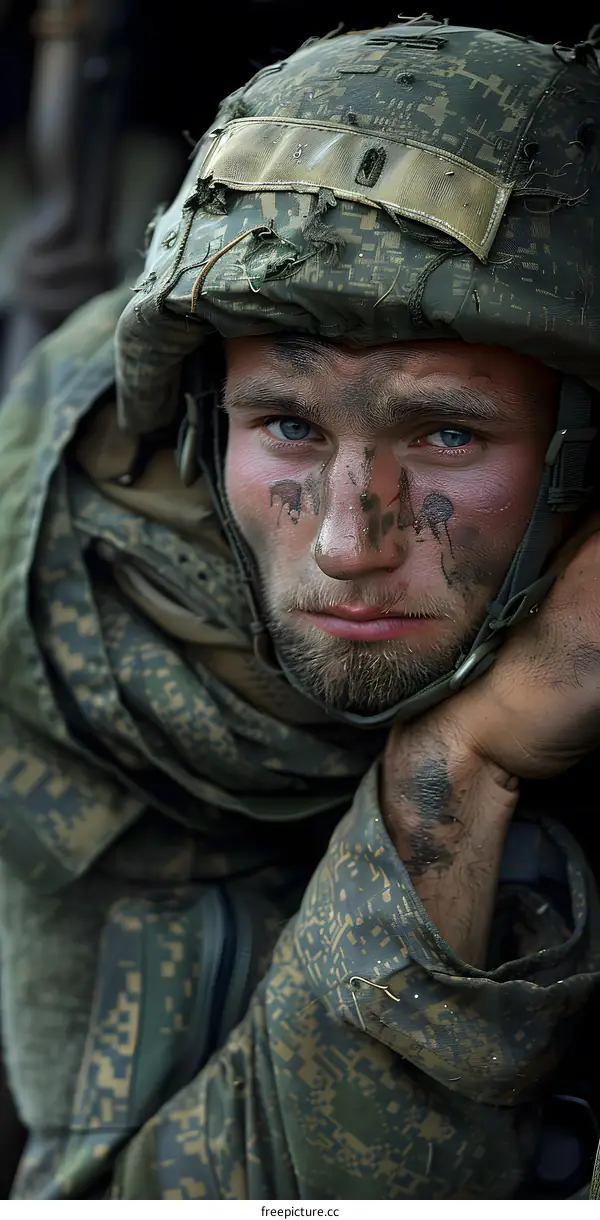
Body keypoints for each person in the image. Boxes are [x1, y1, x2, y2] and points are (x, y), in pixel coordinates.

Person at [2, 18, 600, 1201]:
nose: (345, 542)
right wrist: (457, 764)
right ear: (201, 424)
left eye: (447, 433)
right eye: (287, 425)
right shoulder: (115, 650)